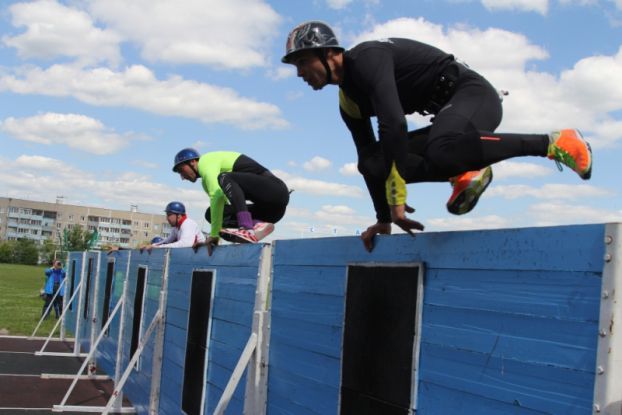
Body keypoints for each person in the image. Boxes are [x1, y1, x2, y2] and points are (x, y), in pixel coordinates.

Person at [282, 21, 592, 251]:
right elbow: (369, 160)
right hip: (447, 118)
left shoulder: (366, 57)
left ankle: (554, 143)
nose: (299, 74)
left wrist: (397, 199)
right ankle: (465, 170)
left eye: (302, 63)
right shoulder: (347, 102)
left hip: (472, 95)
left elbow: (393, 124)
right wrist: (384, 218)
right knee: (373, 163)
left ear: (329, 53)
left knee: (439, 148)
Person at [172, 148, 289, 250]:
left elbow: (216, 197)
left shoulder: (206, 162)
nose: (182, 177)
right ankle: (257, 225)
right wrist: (215, 236)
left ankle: (247, 227)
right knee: (210, 214)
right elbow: (223, 204)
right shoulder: (206, 182)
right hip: (271, 213)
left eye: (182, 170)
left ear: (193, 162)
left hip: (276, 191)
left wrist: (214, 234)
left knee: (223, 177)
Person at [139, 201, 206, 252]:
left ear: (179, 216)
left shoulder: (188, 223)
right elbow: (167, 241)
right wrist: (151, 245)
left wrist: (158, 247)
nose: (167, 218)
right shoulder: (176, 227)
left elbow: (185, 244)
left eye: (169, 215)